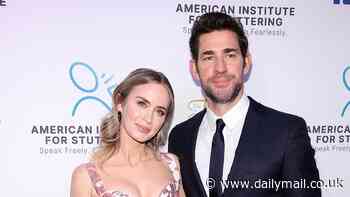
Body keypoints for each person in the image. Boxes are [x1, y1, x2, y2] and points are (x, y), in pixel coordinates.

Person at [168, 12, 321, 197]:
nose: (220, 68)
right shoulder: (180, 137)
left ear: (246, 62)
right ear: (194, 69)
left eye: (230, 55)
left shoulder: (287, 131)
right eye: (209, 57)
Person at [71, 68, 186, 197]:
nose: (148, 119)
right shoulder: (86, 177)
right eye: (142, 104)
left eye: (159, 112)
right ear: (120, 102)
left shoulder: (171, 165)